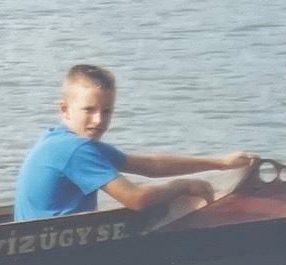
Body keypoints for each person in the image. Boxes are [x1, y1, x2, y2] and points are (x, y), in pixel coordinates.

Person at [13, 64, 254, 221]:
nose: (99, 120)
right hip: (52, 246)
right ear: (64, 109)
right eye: (89, 110)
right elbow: (136, 199)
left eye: (106, 111)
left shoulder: (58, 138)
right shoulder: (76, 149)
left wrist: (221, 163)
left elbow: (151, 165)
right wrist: (181, 186)